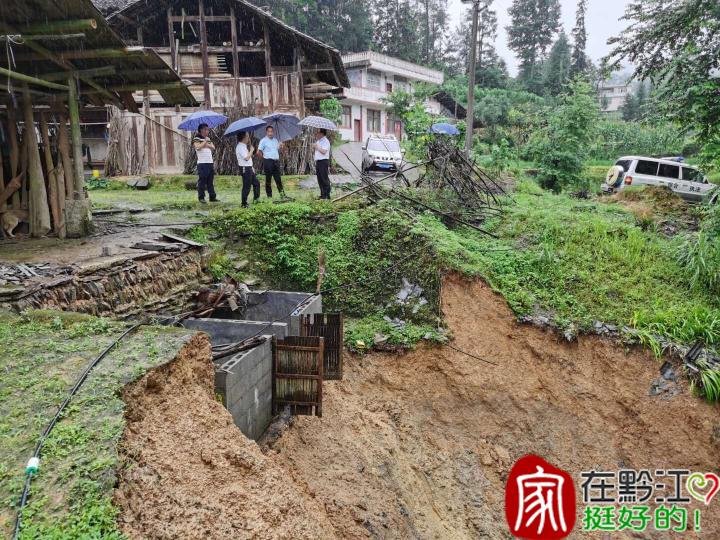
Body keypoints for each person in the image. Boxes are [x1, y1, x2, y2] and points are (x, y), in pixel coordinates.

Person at [257, 126, 287, 199]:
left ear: (273, 132)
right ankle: (269, 196)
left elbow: (280, 151)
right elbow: (258, 152)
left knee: (278, 179)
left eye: (271, 131)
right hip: (268, 161)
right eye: (269, 131)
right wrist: (264, 159)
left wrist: (282, 146)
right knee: (268, 180)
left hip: (276, 161)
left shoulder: (276, 140)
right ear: (266, 132)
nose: (270, 133)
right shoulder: (263, 140)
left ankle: (282, 195)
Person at [194, 123, 218, 203]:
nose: (207, 131)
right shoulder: (196, 138)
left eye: (208, 129)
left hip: (209, 162)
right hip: (202, 163)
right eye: (206, 129)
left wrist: (205, 144)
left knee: (210, 180)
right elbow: (198, 147)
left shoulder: (208, 138)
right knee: (202, 181)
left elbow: (213, 147)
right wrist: (205, 142)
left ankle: (212, 197)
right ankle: (201, 197)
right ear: (201, 130)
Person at [235, 131, 260, 208]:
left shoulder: (244, 146)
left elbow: (248, 159)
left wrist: (251, 166)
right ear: (243, 137)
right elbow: (246, 158)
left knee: (256, 183)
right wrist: (251, 150)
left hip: (248, 168)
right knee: (247, 186)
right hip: (245, 169)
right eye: (247, 136)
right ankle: (244, 203)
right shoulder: (240, 146)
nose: (249, 138)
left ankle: (256, 199)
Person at [313, 128, 331, 200]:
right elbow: (317, 149)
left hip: (323, 161)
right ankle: (322, 195)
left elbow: (324, 151)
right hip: (318, 161)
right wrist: (314, 146)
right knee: (319, 179)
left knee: (324, 178)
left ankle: (327, 195)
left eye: (318, 133)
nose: (317, 134)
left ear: (322, 133)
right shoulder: (319, 141)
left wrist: (317, 147)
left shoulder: (326, 141)